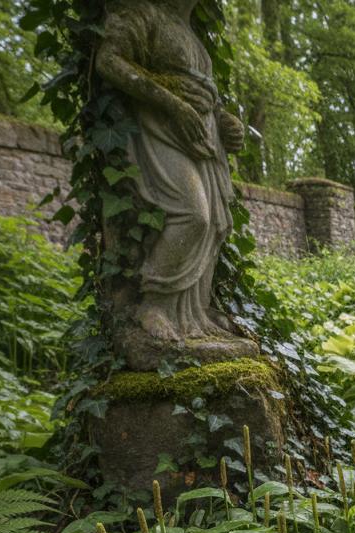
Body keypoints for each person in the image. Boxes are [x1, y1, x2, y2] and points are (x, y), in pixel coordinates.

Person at [96, 0, 244, 341]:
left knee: (214, 226)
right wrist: (172, 102)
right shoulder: (144, 14)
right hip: (160, 129)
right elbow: (109, 60)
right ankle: (153, 304)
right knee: (194, 215)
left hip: (204, 140)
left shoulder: (193, 35)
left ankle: (194, 315)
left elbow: (207, 96)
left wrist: (225, 122)